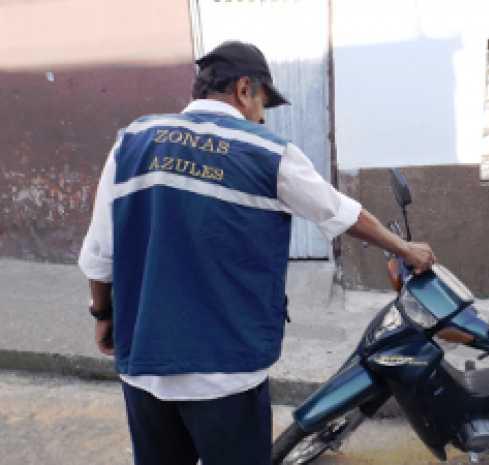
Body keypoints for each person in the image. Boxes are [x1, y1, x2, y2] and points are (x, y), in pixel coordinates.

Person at [78, 40, 435, 465]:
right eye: (263, 102)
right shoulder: (268, 153)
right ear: (245, 89)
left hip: (145, 363)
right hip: (227, 372)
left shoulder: (132, 142)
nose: (262, 116)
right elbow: (342, 214)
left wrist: (103, 316)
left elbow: (100, 254)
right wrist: (405, 248)